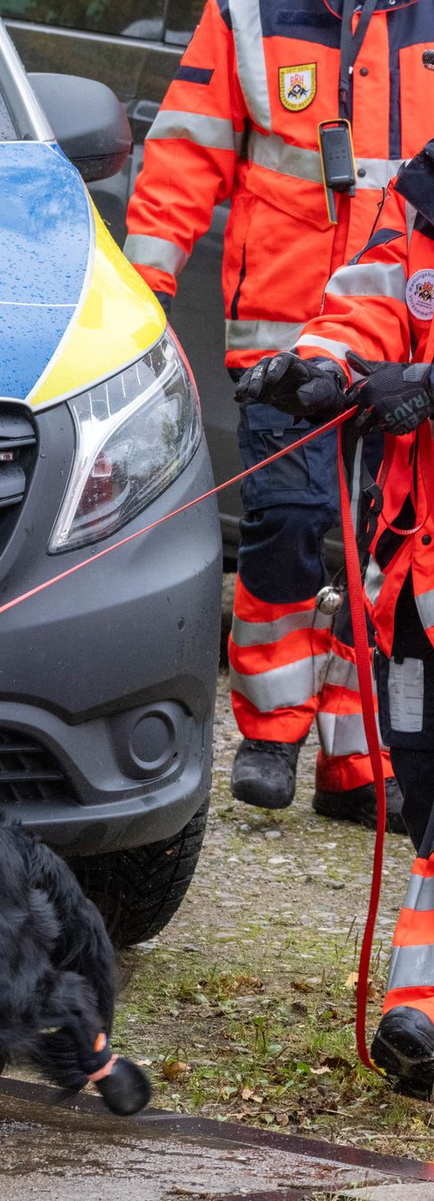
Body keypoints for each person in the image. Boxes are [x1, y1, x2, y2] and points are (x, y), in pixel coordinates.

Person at [123, 0, 434, 828]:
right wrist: (141, 300)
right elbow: (186, 153)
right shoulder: (250, 15)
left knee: (383, 552)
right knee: (290, 520)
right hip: (283, 346)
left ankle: (358, 760)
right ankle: (271, 732)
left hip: (401, 343)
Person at [235, 139, 434, 1094]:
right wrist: (319, 366)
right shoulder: (427, 189)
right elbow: (373, 295)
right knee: (426, 785)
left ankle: (419, 1012)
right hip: (419, 574)